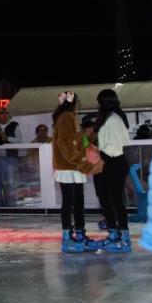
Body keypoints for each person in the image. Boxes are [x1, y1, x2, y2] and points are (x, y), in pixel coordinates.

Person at [52, 92, 102, 253]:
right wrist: (85, 165)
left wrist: (91, 133)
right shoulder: (66, 118)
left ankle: (80, 234)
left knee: (78, 202)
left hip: (73, 167)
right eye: (78, 103)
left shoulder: (70, 118)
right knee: (69, 203)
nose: (79, 106)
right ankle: (68, 237)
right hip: (68, 167)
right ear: (73, 104)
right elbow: (65, 145)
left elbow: (79, 143)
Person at [95, 88, 132, 252]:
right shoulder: (116, 117)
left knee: (113, 200)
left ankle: (122, 237)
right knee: (108, 199)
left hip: (112, 161)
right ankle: (115, 234)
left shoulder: (111, 119)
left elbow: (107, 145)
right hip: (113, 161)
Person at [0, 107, 23, 206]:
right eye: (2, 113)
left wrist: (7, 138)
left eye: (6, 113)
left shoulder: (14, 125)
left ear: (8, 115)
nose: (4, 115)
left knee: (11, 183)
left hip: (10, 158)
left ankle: (12, 206)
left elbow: (20, 140)